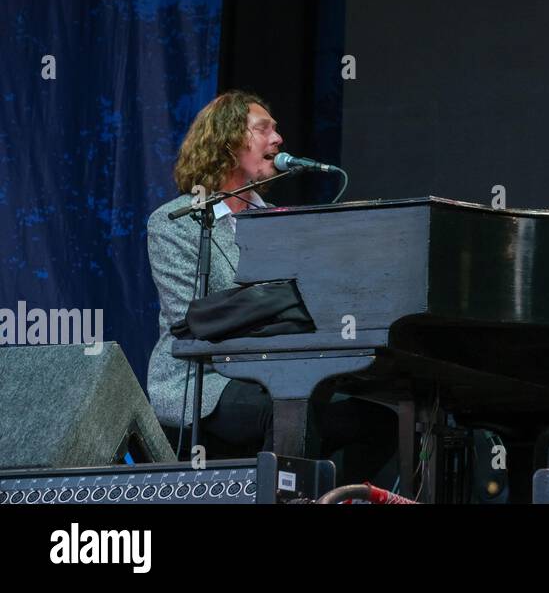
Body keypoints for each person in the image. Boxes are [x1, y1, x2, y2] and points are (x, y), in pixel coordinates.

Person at [146, 90, 395, 483]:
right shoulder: (177, 223)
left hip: (285, 375)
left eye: (277, 130)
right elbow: (188, 320)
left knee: (379, 419)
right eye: (264, 129)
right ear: (226, 141)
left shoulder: (283, 223)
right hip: (204, 382)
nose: (278, 139)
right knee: (287, 410)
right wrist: (280, 311)